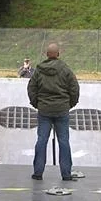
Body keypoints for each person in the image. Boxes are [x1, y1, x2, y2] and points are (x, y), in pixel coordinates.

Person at [27, 42, 80, 181]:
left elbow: (31, 88)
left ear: (46, 54)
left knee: (41, 140)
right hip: (62, 110)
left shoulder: (39, 70)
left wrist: (37, 103)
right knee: (64, 141)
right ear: (58, 54)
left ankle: (38, 172)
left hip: (44, 110)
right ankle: (66, 174)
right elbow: (74, 88)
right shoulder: (65, 69)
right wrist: (69, 104)